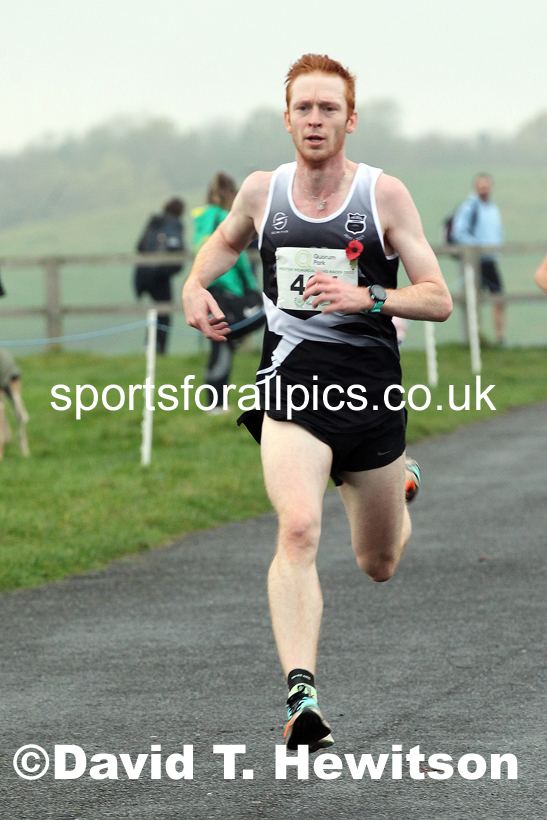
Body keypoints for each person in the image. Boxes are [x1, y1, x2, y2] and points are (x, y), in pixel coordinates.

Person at [182, 54, 452, 752]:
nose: (314, 119)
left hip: (369, 393)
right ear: (286, 117)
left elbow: (438, 298)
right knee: (298, 527)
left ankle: (400, 481)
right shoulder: (261, 191)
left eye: (327, 108)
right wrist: (194, 285)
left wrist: (370, 295)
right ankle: (302, 695)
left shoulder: (382, 195)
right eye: (303, 107)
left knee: (378, 563)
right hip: (289, 386)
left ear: (349, 119)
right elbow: (224, 240)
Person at [192, 173, 259, 413]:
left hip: (207, 289)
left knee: (217, 345)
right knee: (224, 345)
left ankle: (211, 399)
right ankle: (216, 403)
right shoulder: (223, 218)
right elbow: (236, 256)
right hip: (227, 291)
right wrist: (250, 287)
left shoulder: (200, 220)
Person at [452, 174, 506, 345]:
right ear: (475, 187)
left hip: (490, 260)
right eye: (481, 185)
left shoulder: (492, 208)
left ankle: (499, 337)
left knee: (499, 297)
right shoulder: (469, 207)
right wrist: (477, 247)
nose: (484, 188)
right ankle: (475, 338)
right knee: (473, 299)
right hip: (475, 261)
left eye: (486, 185)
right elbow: (458, 232)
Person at [134, 197, 185, 354]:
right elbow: (177, 251)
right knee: (164, 312)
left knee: (154, 311)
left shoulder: (153, 222)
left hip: (143, 274)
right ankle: (161, 349)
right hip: (161, 275)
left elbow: (139, 246)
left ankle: (148, 345)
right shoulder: (175, 224)